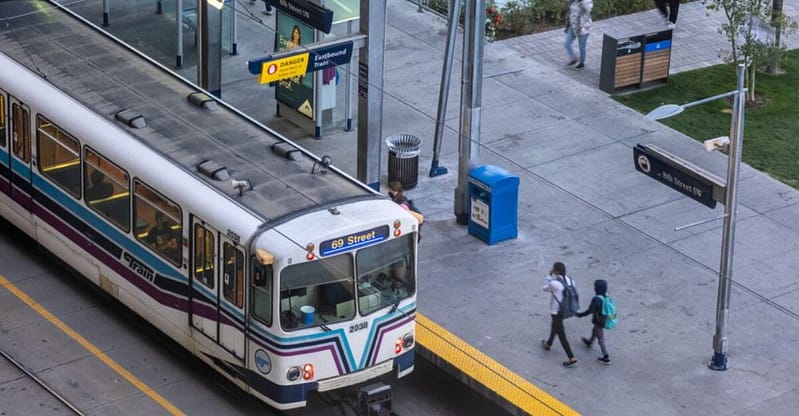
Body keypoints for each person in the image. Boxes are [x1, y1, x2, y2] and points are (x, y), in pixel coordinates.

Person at [541, 262, 578, 367]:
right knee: (555, 326)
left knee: (561, 335)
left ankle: (571, 357)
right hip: (566, 309)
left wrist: (549, 275)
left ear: (556, 271)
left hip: (556, 310)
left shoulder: (555, 283)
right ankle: (548, 343)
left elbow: (544, 288)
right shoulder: (571, 280)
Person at [576, 279, 612, 364]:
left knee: (600, 338)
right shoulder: (606, 296)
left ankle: (606, 357)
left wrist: (580, 315)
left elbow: (590, 310)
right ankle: (590, 341)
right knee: (595, 330)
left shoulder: (596, 299)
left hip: (599, 321)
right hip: (605, 318)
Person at [564, 0, 593, 70]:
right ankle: (573, 58)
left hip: (583, 28)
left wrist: (582, 2)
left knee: (582, 47)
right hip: (573, 27)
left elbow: (588, 9)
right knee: (567, 43)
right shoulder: (574, 1)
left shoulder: (587, 1)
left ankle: (582, 63)